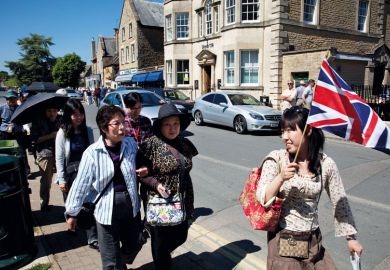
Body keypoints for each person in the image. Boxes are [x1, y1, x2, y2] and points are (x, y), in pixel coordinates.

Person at [256, 106, 363, 269]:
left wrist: (351, 238)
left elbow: (340, 200)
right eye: (283, 131)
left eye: (290, 130)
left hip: (313, 241)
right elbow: (263, 197)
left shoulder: (325, 164)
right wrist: (280, 177)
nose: (284, 137)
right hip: (284, 240)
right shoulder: (277, 159)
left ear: (308, 130)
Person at [65, 105, 144, 269]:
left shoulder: (130, 144)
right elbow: (81, 185)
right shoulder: (92, 153)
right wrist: (72, 213)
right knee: (110, 259)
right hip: (106, 211)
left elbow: (143, 163)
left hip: (130, 207)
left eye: (123, 122)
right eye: (117, 123)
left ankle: (119, 262)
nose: (122, 127)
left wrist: (146, 169)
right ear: (103, 127)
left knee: (135, 243)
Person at [137, 103, 198, 270]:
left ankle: (163, 254)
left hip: (183, 198)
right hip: (160, 201)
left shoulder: (184, 143)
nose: (172, 128)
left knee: (181, 235)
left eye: (175, 124)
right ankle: (161, 262)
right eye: (167, 124)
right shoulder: (150, 145)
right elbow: (141, 174)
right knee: (160, 241)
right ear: (160, 126)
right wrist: (156, 184)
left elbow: (185, 168)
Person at [55, 99, 99, 250]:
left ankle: (92, 237)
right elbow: (60, 158)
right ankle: (72, 226)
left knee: (88, 204)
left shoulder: (87, 130)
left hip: (86, 172)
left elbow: (94, 152)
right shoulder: (62, 133)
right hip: (70, 173)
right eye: (74, 114)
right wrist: (61, 179)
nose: (78, 117)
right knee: (72, 205)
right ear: (68, 115)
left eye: (80, 113)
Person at [31, 107, 61, 211]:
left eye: (54, 111)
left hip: (60, 153)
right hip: (45, 154)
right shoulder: (38, 122)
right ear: (45, 111)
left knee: (64, 179)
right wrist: (51, 136)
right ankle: (44, 204)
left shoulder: (61, 120)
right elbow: (35, 140)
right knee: (46, 181)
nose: (52, 113)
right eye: (49, 111)